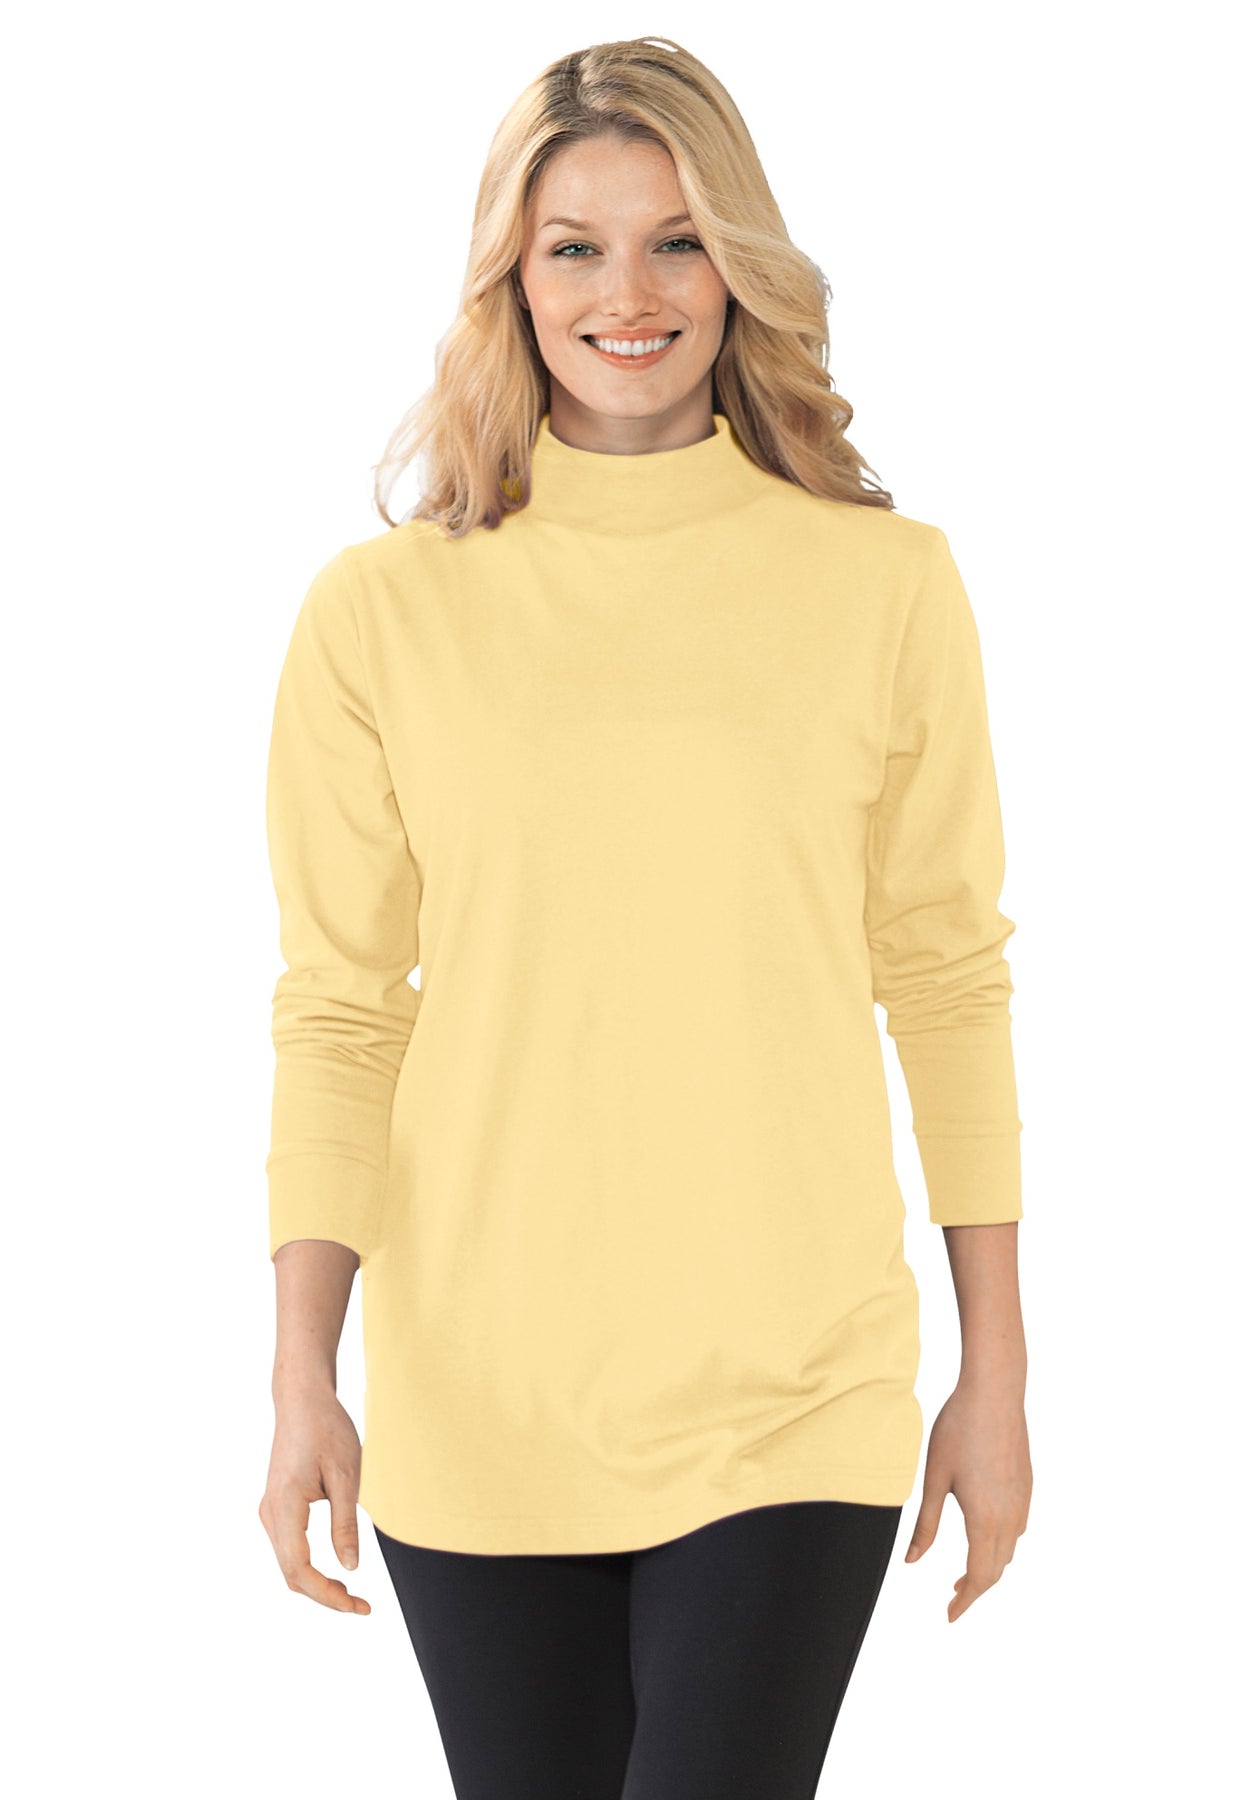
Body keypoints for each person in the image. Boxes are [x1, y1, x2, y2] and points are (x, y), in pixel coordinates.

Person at [258, 34, 1031, 1800]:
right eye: (575, 248)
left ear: (738, 262)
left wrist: (994, 1368)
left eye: (678, 240)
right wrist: (304, 1373)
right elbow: (341, 1007)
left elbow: (948, 976)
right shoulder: (380, 615)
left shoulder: (883, 584)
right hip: (480, 1391)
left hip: (795, 1385)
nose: (630, 295)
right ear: (510, 279)